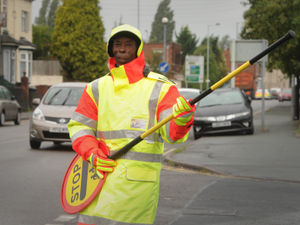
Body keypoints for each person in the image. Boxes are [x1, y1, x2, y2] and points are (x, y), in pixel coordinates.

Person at [68, 24, 195, 225]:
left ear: (138, 48)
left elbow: (172, 135)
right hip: (97, 183)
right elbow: (79, 127)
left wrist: (182, 119)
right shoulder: (96, 88)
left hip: (135, 191)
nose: (122, 48)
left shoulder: (161, 88)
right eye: (117, 44)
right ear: (110, 49)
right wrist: (91, 152)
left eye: (128, 44)